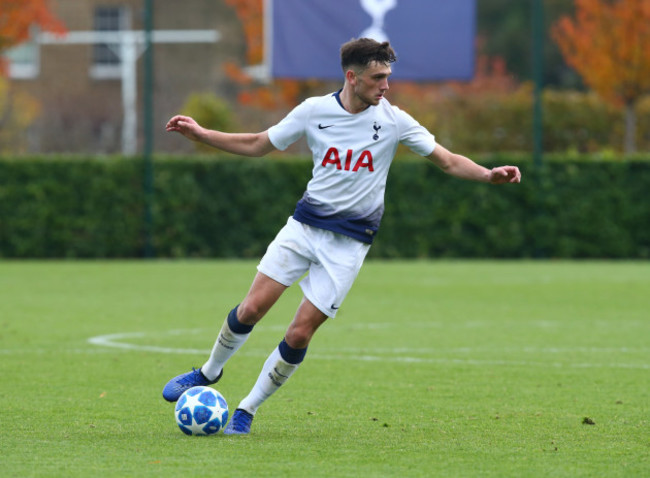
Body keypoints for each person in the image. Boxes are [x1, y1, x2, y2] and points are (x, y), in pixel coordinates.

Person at [162, 38, 521, 435]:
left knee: (299, 332)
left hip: (349, 244)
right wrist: (203, 135)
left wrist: (488, 174)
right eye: (378, 78)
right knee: (251, 309)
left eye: (388, 77)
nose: (386, 86)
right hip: (303, 228)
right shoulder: (314, 111)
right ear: (352, 77)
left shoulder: (394, 120)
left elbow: (448, 160)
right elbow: (259, 144)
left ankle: (247, 410)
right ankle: (208, 372)